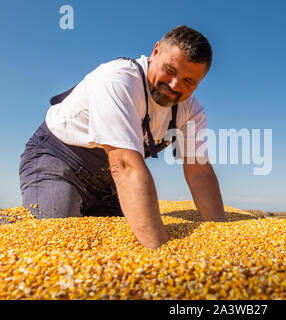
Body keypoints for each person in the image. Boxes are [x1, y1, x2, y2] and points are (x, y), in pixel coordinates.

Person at [19, 25, 226, 249]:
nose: (175, 85)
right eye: (170, 70)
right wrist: (162, 256)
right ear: (155, 51)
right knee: (61, 238)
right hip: (59, 159)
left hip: (109, 184)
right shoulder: (118, 80)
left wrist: (221, 236)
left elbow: (199, 171)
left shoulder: (191, 112)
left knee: (120, 242)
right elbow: (125, 166)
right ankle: (9, 226)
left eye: (189, 81)